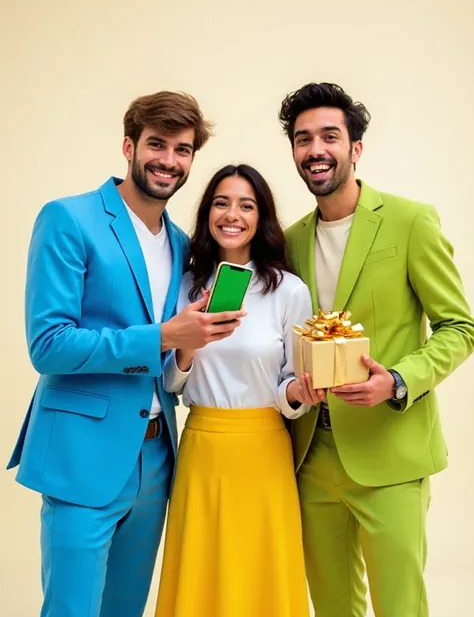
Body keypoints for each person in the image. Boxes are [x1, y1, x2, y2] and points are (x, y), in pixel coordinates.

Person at [7, 91, 245, 617]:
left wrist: (189, 345)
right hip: (82, 453)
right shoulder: (68, 219)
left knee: (125, 609)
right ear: (128, 146)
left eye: (182, 150)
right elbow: (49, 346)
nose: (168, 160)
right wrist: (163, 335)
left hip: (158, 459)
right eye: (156, 145)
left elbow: (170, 358)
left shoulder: (184, 243)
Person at [279, 82, 474, 617]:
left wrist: (399, 379)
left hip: (390, 452)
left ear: (355, 148)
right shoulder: (289, 240)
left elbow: (460, 327)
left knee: (399, 608)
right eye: (302, 139)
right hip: (311, 456)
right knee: (333, 608)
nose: (315, 149)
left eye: (329, 136)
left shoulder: (411, 221)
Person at [154, 164, 313, 617]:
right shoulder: (184, 285)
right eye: (221, 203)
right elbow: (170, 382)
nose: (232, 214)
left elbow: (289, 384)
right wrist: (189, 345)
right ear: (207, 213)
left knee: (262, 572)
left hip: (265, 450)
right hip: (203, 447)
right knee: (201, 575)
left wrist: (299, 394)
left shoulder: (288, 291)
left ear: (261, 217)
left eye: (247, 205)